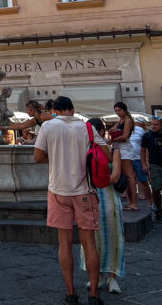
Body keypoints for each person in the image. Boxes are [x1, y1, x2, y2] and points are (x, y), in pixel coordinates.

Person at [34, 95, 102, 305]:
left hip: (58, 190)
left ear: (55, 109)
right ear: (72, 108)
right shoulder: (87, 127)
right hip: (84, 191)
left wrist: (55, 159)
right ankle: (94, 295)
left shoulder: (48, 126)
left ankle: (71, 293)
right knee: (89, 243)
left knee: (64, 243)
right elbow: (105, 152)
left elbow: (37, 157)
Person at [84, 119, 125, 296]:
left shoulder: (114, 151)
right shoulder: (85, 151)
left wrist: (97, 179)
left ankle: (112, 277)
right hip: (92, 199)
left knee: (114, 238)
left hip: (109, 199)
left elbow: (116, 176)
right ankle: (98, 276)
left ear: (102, 132)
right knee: (92, 240)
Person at [108, 102, 140, 211]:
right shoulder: (120, 121)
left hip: (125, 148)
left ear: (124, 110)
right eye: (116, 110)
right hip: (119, 148)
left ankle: (134, 203)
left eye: (119, 110)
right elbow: (113, 130)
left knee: (129, 176)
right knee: (125, 176)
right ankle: (131, 202)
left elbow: (125, 136)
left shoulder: (128, 121)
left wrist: (112, 140)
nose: (118, 112)